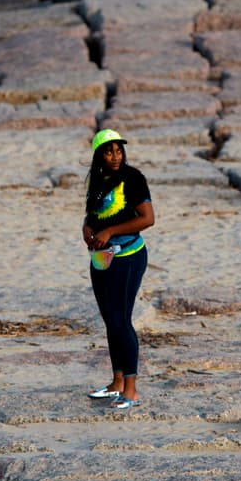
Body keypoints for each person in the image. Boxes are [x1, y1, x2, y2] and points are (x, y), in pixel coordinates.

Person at [83, 129, 155, 411]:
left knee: (122, 321)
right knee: (110, 320)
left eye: (119, 150)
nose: (115, 156)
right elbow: (92, 214)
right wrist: (88, 229)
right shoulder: (98, 180)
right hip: (101, 258)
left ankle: (132, 390)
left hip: (128, 257)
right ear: (99, 155)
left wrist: (111, 230)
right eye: (109, 151)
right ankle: (116, 383)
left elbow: (148, 219)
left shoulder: (133, 178)